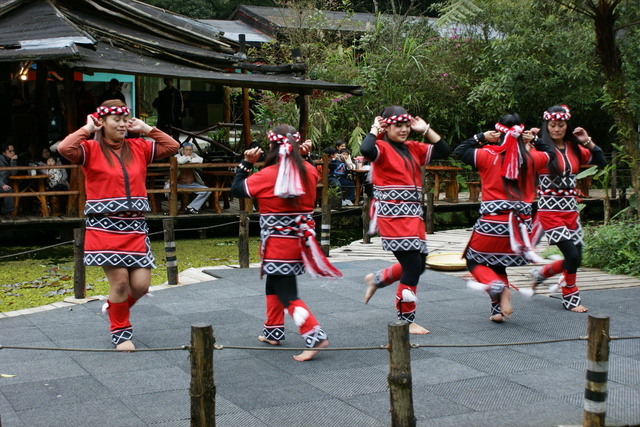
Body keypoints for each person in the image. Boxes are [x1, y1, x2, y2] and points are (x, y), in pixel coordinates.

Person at [58, 100, 179, 350]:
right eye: (117, 120)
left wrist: (147, 129)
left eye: (126, 119)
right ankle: (121, 332)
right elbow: (64, 148)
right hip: (104, 225)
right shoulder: (89, 149)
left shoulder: (139, 147)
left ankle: (113, 307)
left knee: (141, 286)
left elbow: (172, 146)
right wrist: (86, 129)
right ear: (102, 122)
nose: (123, 124)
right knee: (121, 283)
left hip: (135, 225)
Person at [230, 124, 342, 361]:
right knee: (274, 283)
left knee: (287, 293)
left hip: (278, 244)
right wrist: (304, 156)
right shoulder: (310, 170)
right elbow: (306, 167)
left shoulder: (267, 175)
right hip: (299, 241)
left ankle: (315, 336)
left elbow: (237, 190)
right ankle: (273, 330)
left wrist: (246, 164)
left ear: (272, 147)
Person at [454, 113, 555, 322]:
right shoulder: (531, 158)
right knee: (498, 265)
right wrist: (534, 140)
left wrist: (481, 137)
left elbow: (459, 151)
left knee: (473, 261)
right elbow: (551, 154)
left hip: (492, 224)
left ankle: (498, 289)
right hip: (519, 231)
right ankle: (497, 310)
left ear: (498, 132)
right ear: (522, 134)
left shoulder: (486, 154)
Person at [361, 106, 451, 334]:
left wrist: (425, 129)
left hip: (413, 217)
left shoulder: (413, 148)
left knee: (419, 265)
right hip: (393, 217)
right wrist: (374, 129)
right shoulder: (381, 147)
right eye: (397, 126)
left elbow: (443, 149)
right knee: (412, 266)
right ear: (386, 126)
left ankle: (378, 279)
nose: (403, 130)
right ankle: (406, 320)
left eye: (406, 125)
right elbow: (365, 148)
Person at [529, 105, 606, 313]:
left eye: (560, 125)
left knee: (577, 258)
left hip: (571, 211)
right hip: (549, 212)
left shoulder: (574, 149)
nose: (556, 129)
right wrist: (527, 143)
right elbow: (521, 167)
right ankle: (570, 297)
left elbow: (600, 160)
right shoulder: (541, 149)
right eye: (552, 125)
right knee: (571, 256)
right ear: (547, 126)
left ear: (566, 126)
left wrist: (586, 140)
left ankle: (542, 273)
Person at [171, 142, 209, 214]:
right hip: (178, 183)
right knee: (167, 188)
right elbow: (179, 161)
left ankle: (191, 207)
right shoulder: (177, 156)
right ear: (182, 150)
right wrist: (189, 158)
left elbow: (200, 160)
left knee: (207, 190)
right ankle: (172, 209)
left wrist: (188, 159)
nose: (188, 151)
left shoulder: (194, 155)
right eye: (187, 150)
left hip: (191, 183)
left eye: (190, 150)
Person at [0, 143, 17, 217]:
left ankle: (8, 212)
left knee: (9, 189)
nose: (12, 153)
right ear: (4, 153)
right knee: (8, 189)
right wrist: (2, 184)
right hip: (1, 183)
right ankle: (8, 212)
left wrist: (13, 161)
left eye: (13, 151)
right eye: (10, 151)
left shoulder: (10, 160)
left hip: (5, 183)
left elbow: (13, 173)